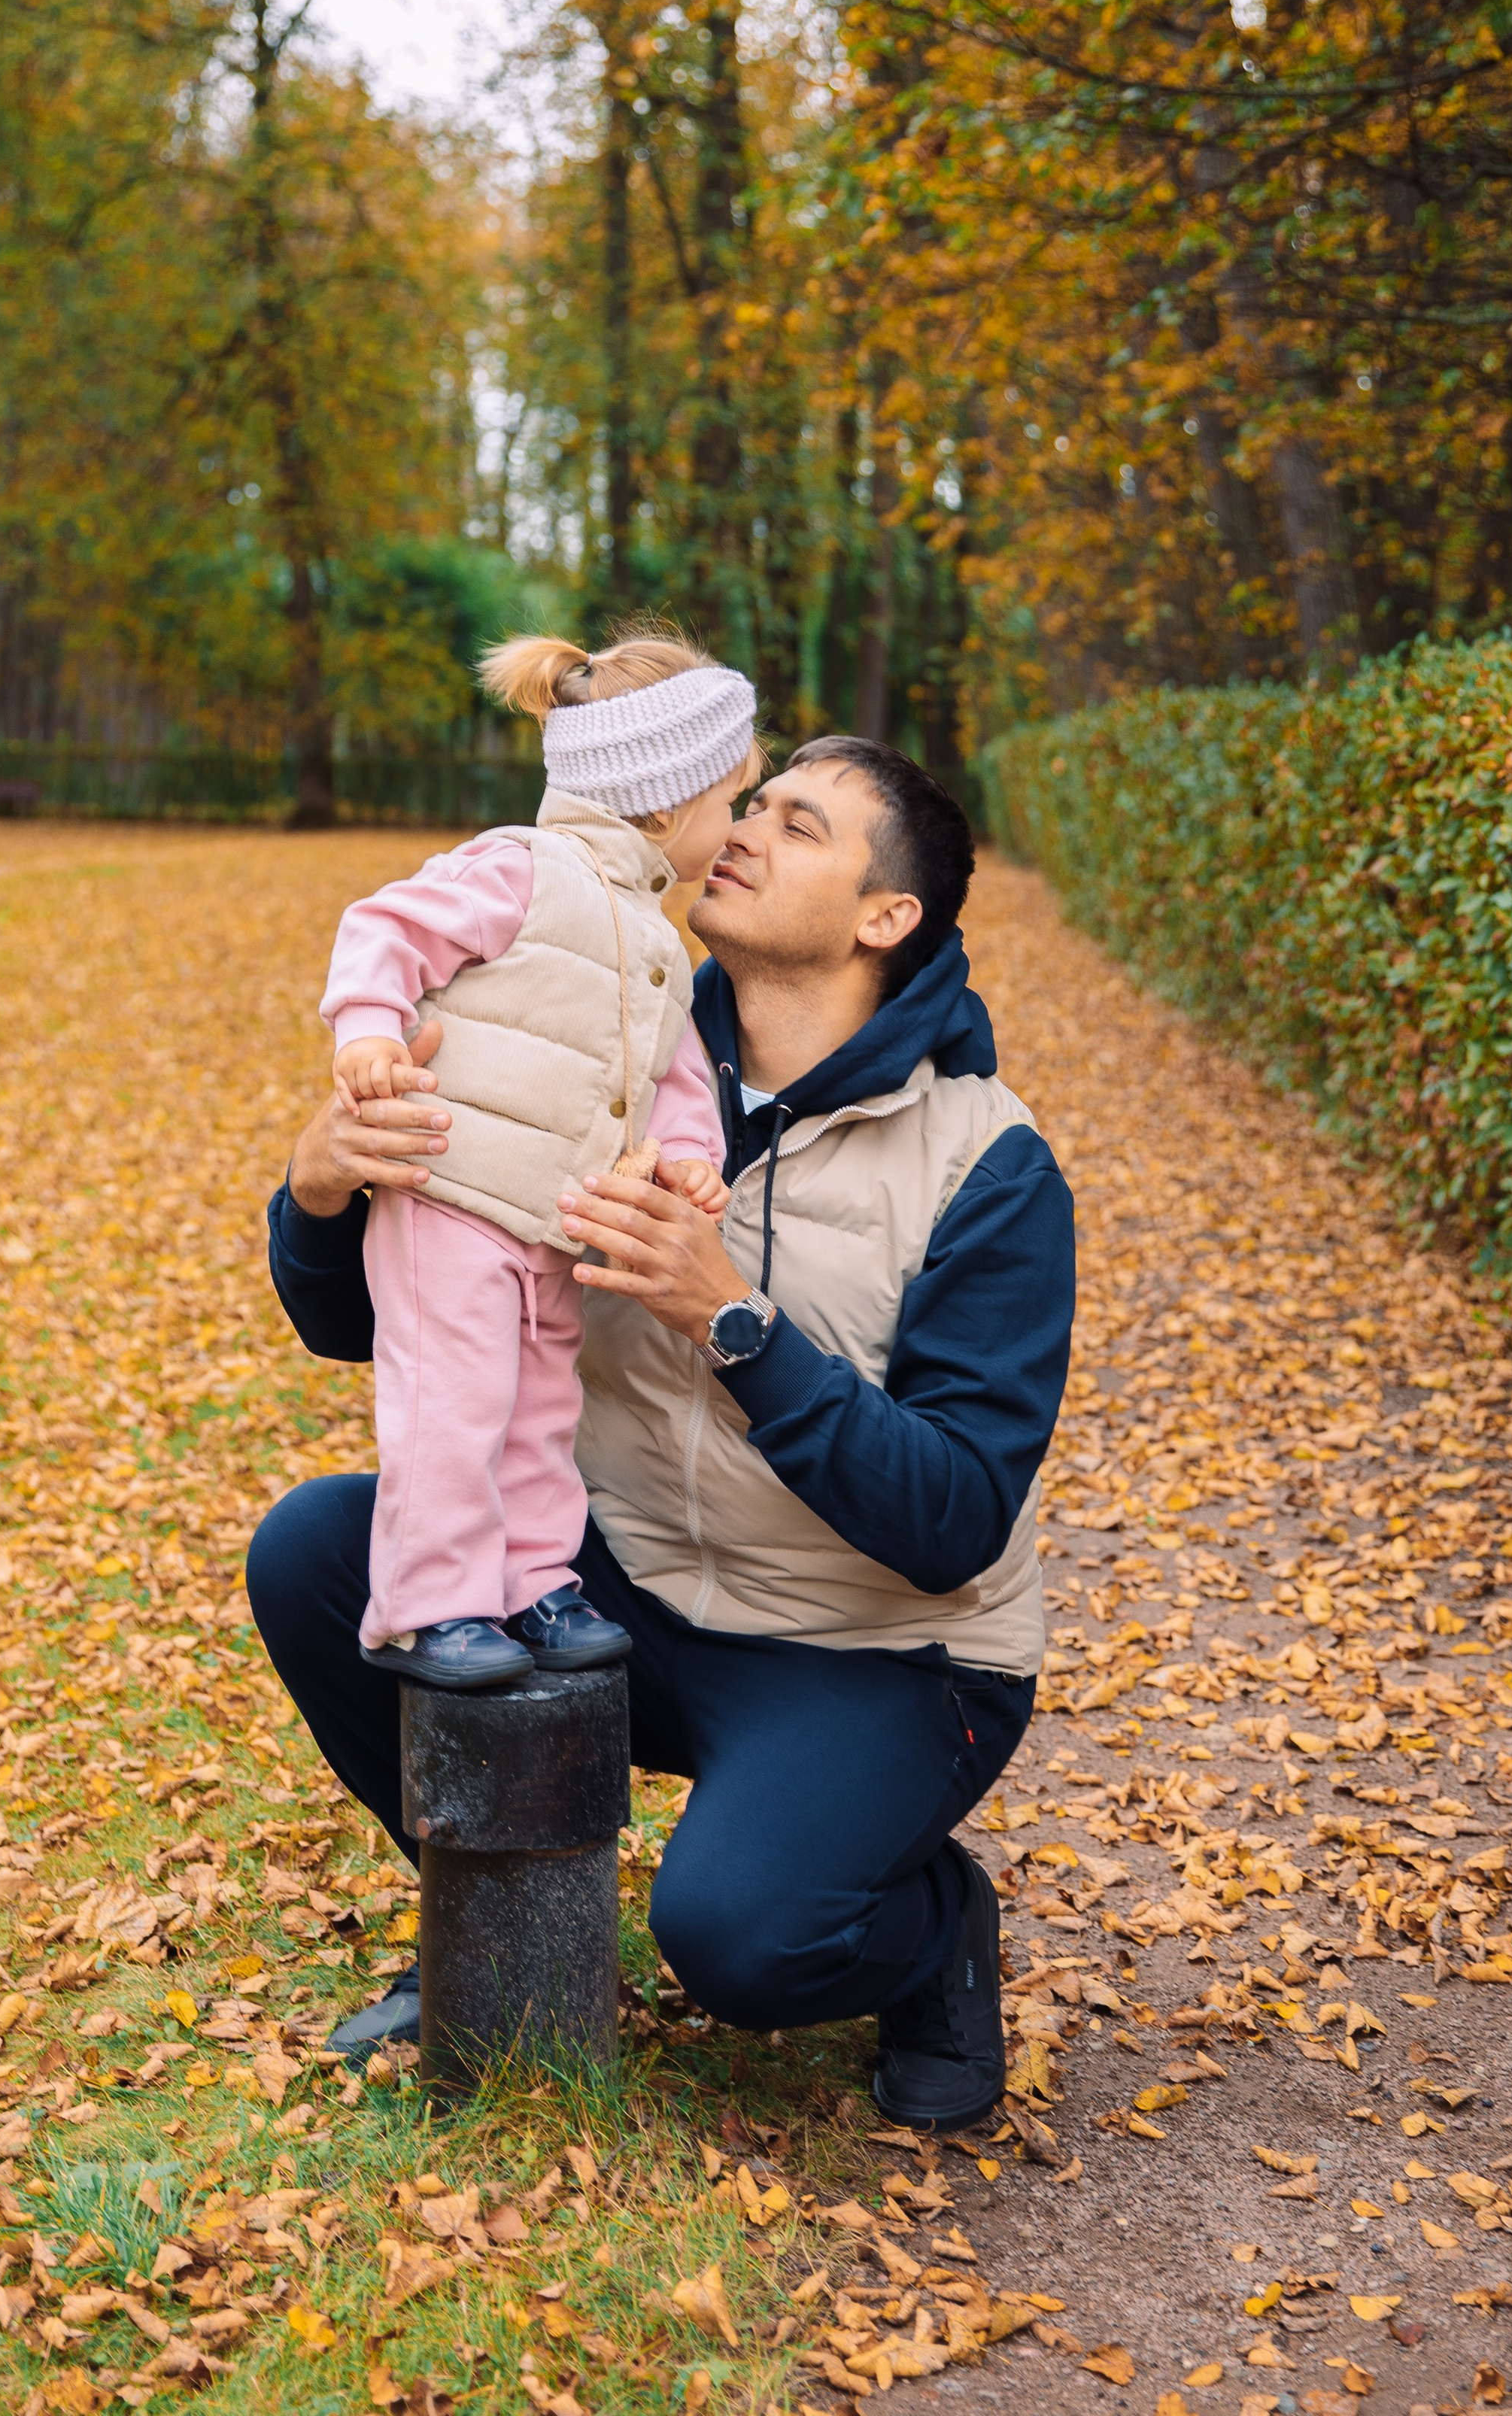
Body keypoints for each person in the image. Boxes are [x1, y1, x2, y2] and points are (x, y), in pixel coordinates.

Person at [247, 735, 1074, 2132]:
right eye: (749, 803)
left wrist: (736, 1322)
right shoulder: (606, 1049)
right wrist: (321, 1187)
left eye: (799, 825)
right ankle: (500, 1926)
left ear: (888, 917)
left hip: (877, 1653)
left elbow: (952, 1520)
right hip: (621, 1582)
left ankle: (932, 1930)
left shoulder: (985, 1163)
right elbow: (369, 1325)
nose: (743, 828)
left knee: (743, 1941)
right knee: (320, 1555)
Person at [318, 630, 761, 1692]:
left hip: (549, 1225)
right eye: (733, 800)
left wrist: (692, 1163)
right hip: (452, 1199)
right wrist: (370, 1031)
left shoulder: (654, 935)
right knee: (453, 1405)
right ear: (664, 800)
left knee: (538, 1409)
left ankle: (534, 1581)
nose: (739, 826)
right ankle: (435, 1605)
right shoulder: (520, 868)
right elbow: (385, 929)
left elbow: (672, 1075)